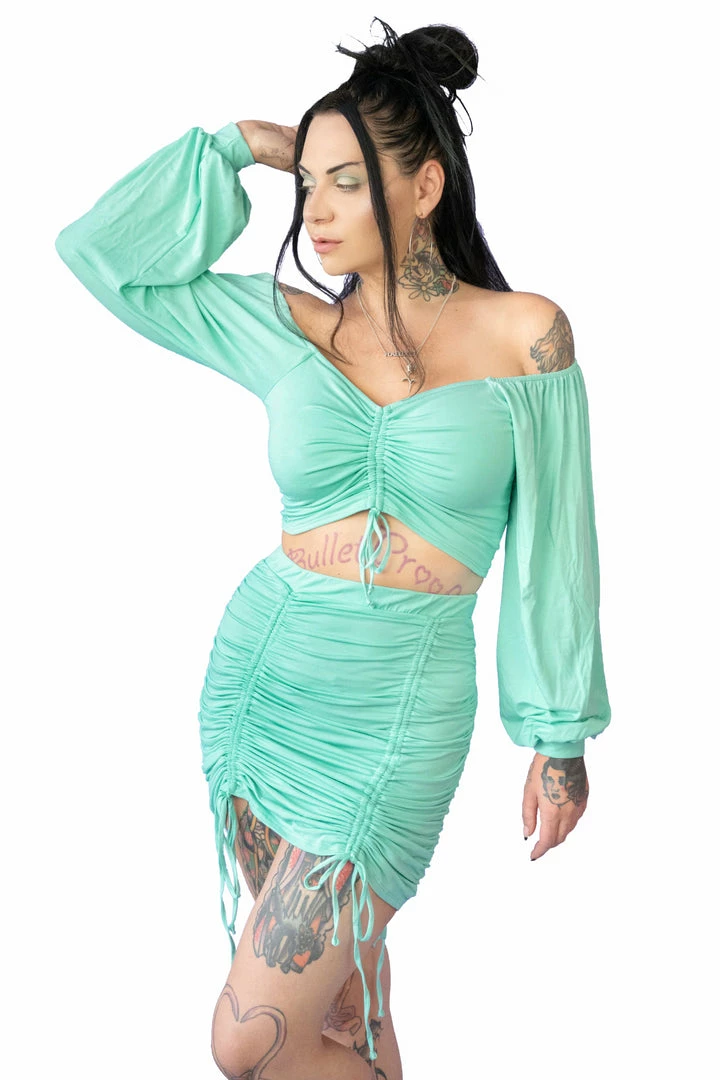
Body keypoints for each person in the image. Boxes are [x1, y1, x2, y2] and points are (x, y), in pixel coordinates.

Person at [54, 18, 611, 1080]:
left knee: (250, 1043)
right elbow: (100, 256)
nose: (311, 210)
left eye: (344, 183)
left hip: (397, 707)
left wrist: (559, 735)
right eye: (306, 184)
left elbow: (557, 551)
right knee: (343, 1013)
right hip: (264, 683)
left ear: (426, 187)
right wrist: (241, 146)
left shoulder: (527, 335)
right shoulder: (285, 325)